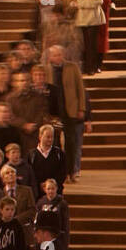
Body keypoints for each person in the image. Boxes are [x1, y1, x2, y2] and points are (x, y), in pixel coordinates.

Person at [46, 45, 87, 182]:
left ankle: (72, 172)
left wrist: (81, 108)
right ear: (50, 57)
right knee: (56, 145)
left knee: (71, 143)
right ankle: (60, 174)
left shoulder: (72, 67)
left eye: (59, 54)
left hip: (70, 111)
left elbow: (80, 89)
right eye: (54, 55)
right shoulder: (46, 70)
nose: (57, 57)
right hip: (54, 114)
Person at [73, 0, 105, 75]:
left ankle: (92, 67)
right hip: (81, 19)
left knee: (92, 45)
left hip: (93, 18)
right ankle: (85, 67)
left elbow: (98, 0)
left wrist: (81, 4)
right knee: (84, 45)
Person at [30, 125, 67, 199]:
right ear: (40, 137)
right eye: (47, 137)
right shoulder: (32, 154)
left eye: (52, 137)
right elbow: (30, 173)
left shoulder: (59, 153)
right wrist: (40, 184)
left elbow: (63, 171)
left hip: (55, 192)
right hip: (37, 192)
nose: (50, 139)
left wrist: (52, 185)